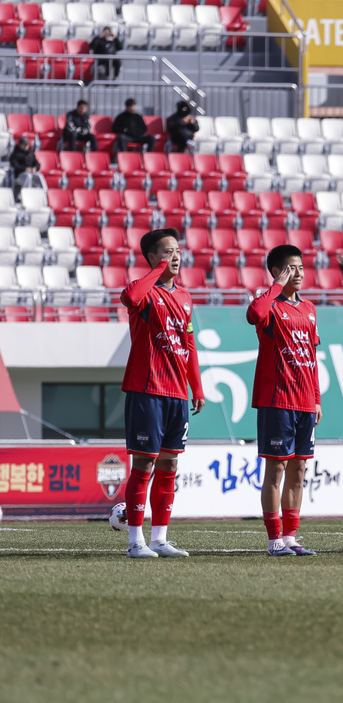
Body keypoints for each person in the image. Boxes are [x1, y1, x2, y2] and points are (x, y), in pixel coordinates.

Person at [118, 228, 205, 558]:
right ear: (152, 258)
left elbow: (189, 344)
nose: (176, 256)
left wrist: (196, 387)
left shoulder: (185, 297)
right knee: (144, 464)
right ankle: (135, 541)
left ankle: (159, 539)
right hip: (147, 390)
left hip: (177, 394)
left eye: (178, 250)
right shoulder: (145, 293)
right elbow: (129, 297)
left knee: (169, 465)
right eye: (168, 252)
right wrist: (158, 270)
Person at [246, 244, 321, 557]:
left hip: (304, 402)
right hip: (277, 400)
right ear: (277, 272)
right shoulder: (270, 305)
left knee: (298, 471)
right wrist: (276, 285)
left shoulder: (309, 308)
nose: (299, 273)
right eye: (292, 268)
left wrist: (316, 398)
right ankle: (274, 540)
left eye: (301, 267)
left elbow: (312, 356)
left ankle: (290, 538)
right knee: (275, 470)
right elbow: (254, 314)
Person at [7, 136, 44, 203]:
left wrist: (35, 168)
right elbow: (15, 165)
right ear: (20, 145)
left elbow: (37, 164)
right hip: (19, 175)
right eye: (24, 144)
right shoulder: (15, 154)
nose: (26, 146)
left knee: (39, 176)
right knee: (28, 176)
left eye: (27, 144)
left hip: (31, 173)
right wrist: (25, 169)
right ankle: (26, 197)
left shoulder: (30, 153)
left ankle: (44, 195)